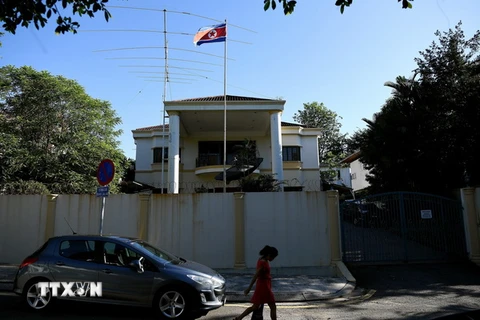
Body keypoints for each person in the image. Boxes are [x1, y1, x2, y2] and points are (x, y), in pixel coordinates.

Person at [233, 245, 278, 320]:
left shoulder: (262, 260)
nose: (273, 259)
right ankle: (239, 318)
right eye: (273, 257)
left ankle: (238, 318)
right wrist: (249, 288)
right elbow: (255, 276)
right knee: (273, 306)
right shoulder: (263, 263)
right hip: (264, 287)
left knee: (255, 306)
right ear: (269, 255)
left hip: (263, 285)